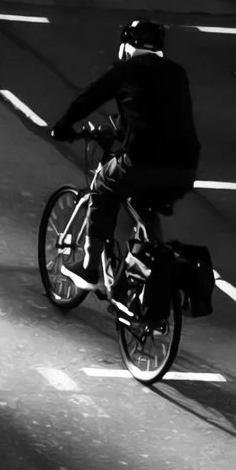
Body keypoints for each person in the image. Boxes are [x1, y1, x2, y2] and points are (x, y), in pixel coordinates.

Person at [46, 17, 200, 289]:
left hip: (143, 160)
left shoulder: (126, 71)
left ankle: (89, 268)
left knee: (105, 187)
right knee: (145, 205)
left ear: (127, 46)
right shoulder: (178, 73)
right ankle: (155, 264)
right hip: (186, 166)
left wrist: (62, 127)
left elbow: (88, 99)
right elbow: (159, 114)